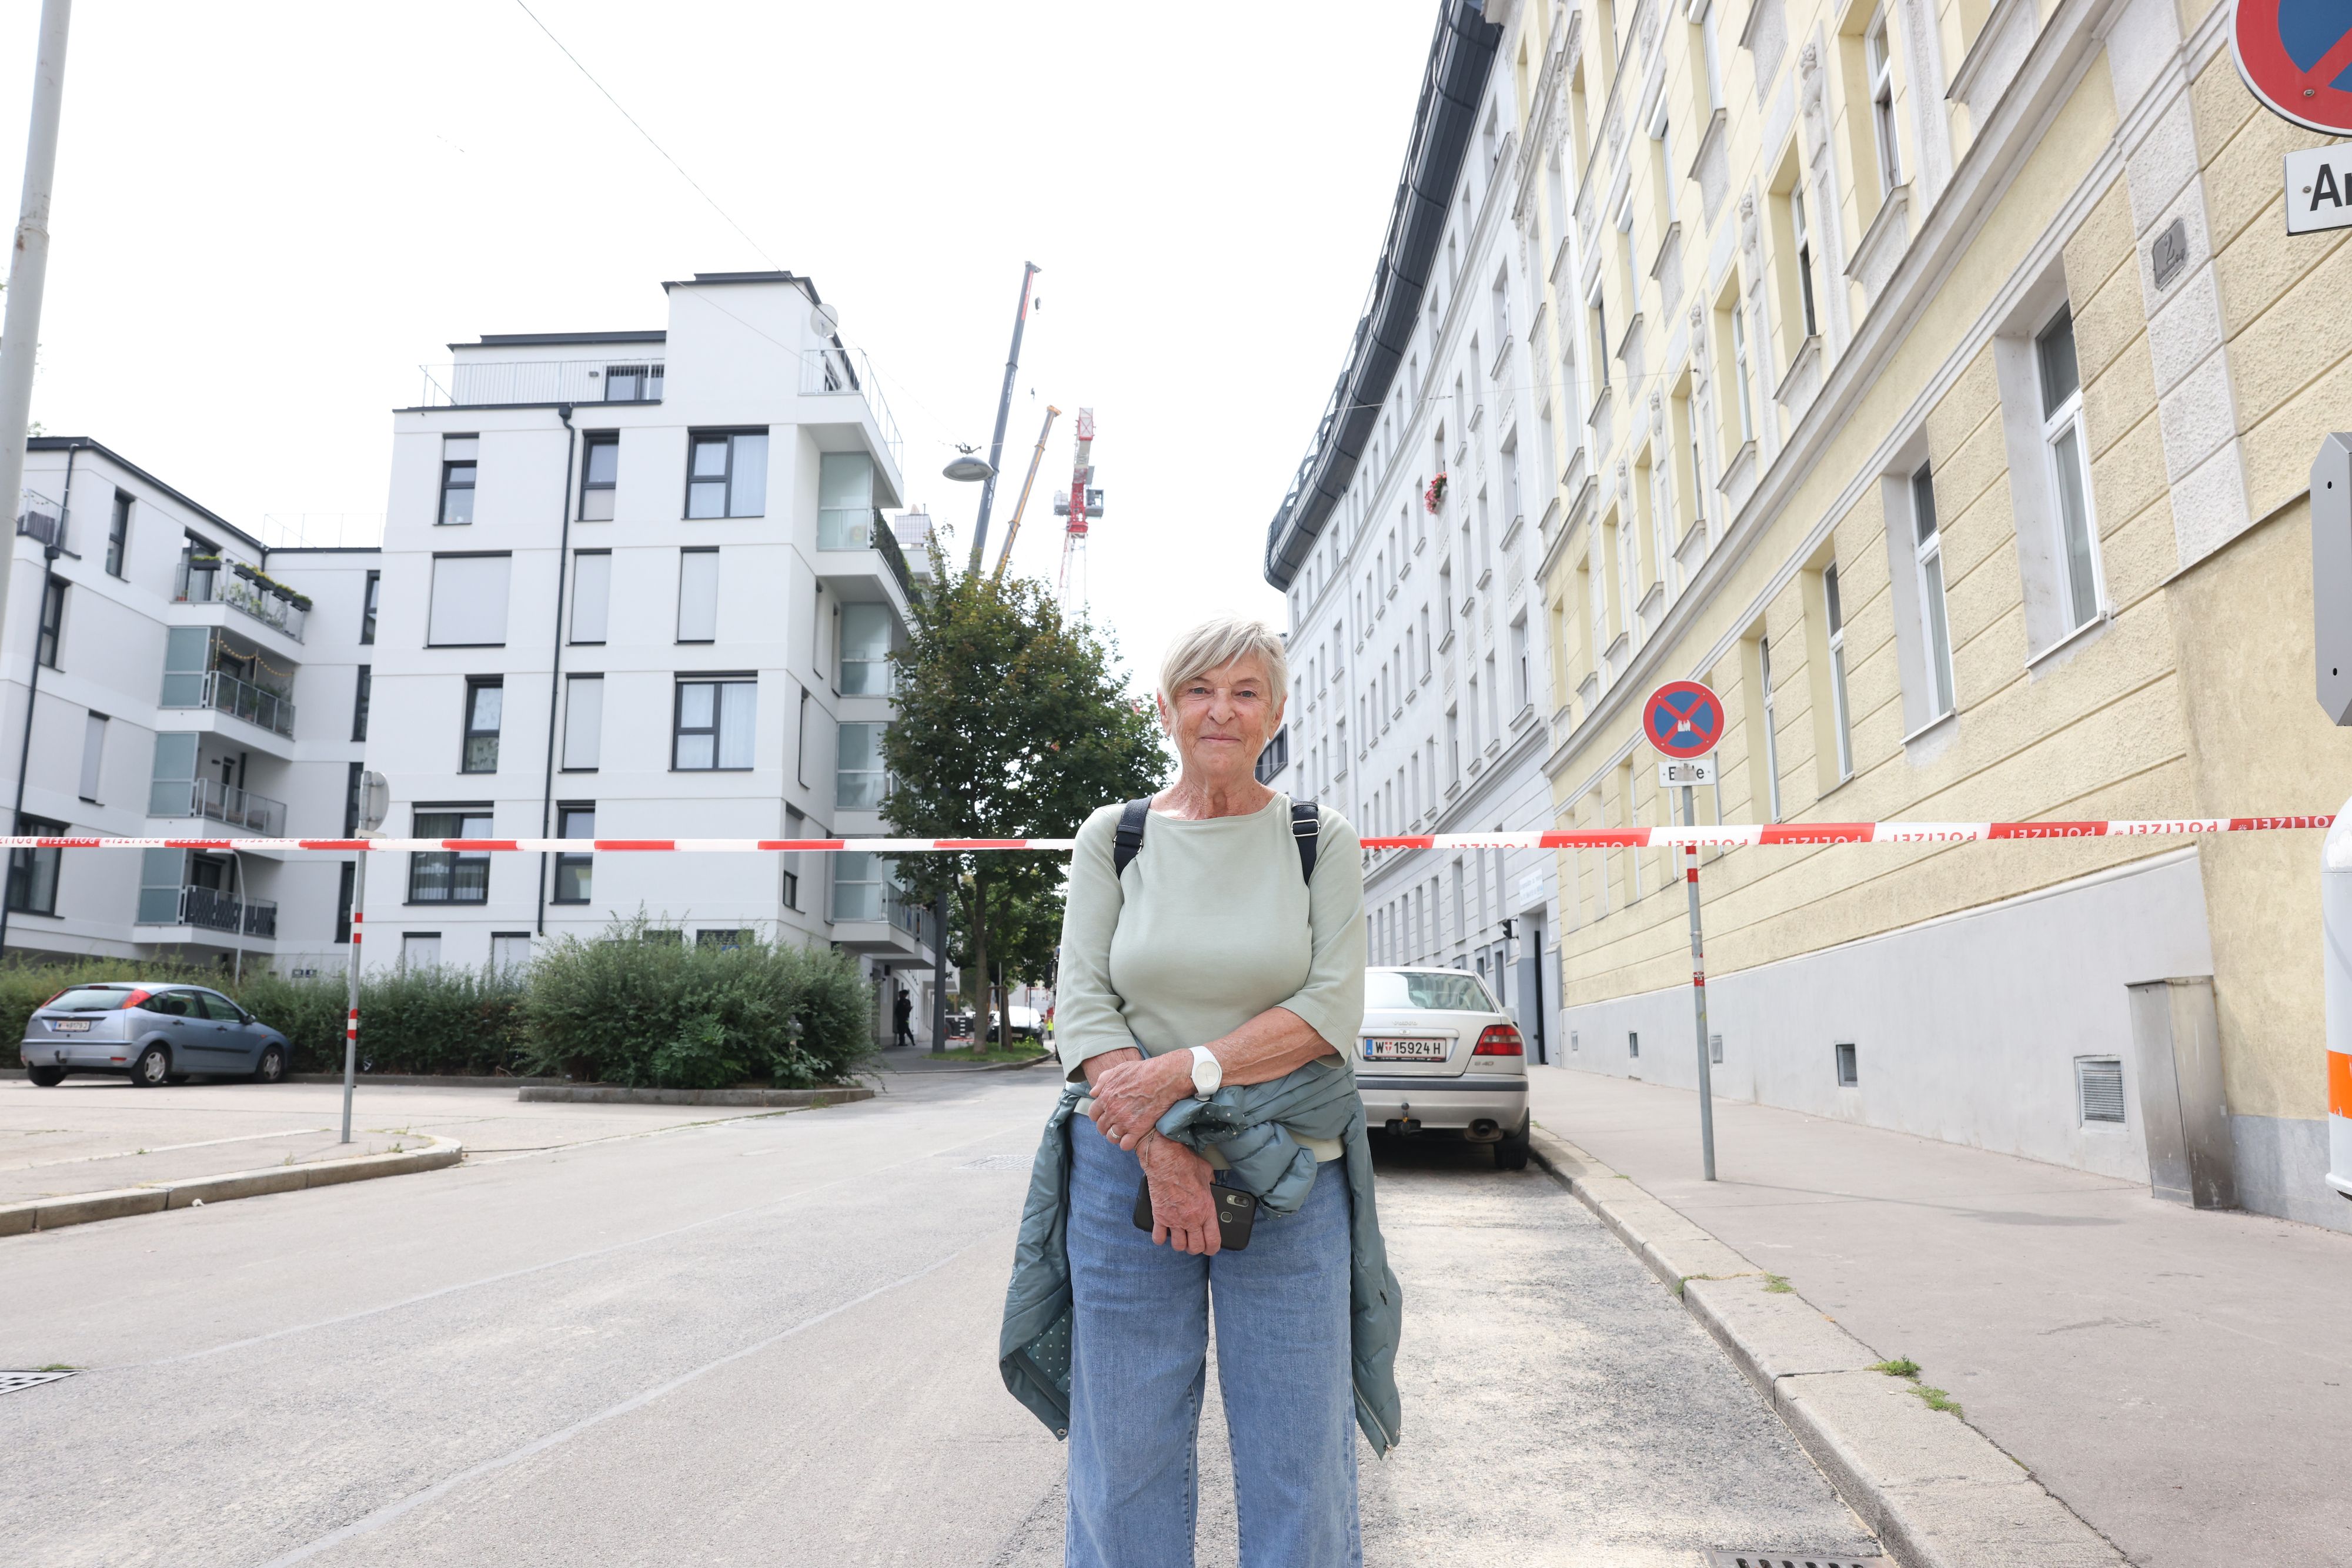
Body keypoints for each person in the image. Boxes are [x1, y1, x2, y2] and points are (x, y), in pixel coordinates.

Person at [999, 614, 1402, 1568]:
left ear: (1276, 712)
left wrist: (1185, 1073)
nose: (1221, 709)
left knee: (1296, 1453)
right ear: (1167, 707)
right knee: (1126, 1449)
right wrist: (1158, 1145)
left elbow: (1328, 1011)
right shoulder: (1116, 836)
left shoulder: (1317, 839)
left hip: (1291, 1174)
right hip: (1124, 1173)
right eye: (1199, 689)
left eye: (1246, 690)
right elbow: (1086, 1005)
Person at [893, 986, 914, 1050]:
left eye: (901, 994)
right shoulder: (900, 1002)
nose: (900, 996)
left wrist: (909, 1009)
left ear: (904, 995)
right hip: (901, 1018)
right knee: (901, 1030)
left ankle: (911, 1041)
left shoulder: (906, 1001)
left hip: (905, 1018)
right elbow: (898, 1010)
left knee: (906, 1029)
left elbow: (906, 1010)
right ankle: (902, 1042)